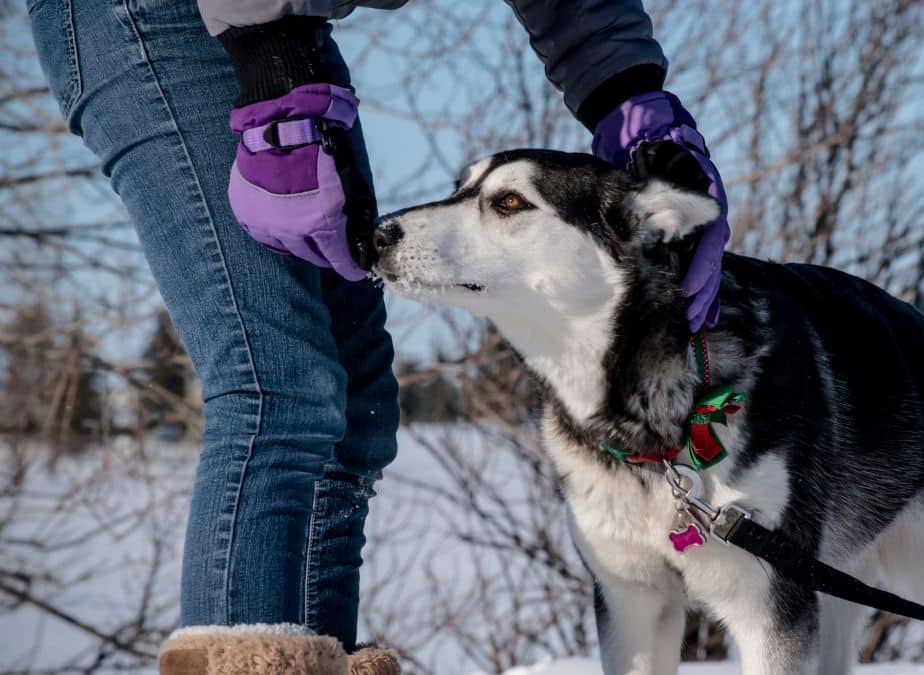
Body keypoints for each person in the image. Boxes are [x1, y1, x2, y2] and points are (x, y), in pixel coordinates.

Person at [28, 1, 729, 673]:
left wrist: (631, 96)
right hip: (164, 18)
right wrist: (267, 57)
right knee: (278, 385)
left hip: (283, 23)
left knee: (354, 419)